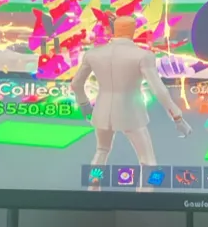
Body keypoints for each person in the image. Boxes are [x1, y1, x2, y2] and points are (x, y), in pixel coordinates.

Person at [71, 15, 192, 168]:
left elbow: (76, 84)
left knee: (101, 151)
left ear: (115, 30)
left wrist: (85, 106)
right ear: (133, 30)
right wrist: (177, 118)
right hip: (131, 114)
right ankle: (146, 184)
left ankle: (93, 181)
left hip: (101, 111)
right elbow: (159, 90)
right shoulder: (143, 56)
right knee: (147, 160)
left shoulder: (93, 54)